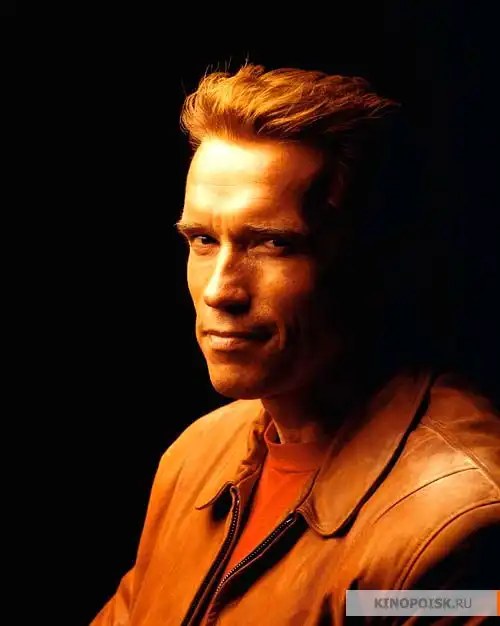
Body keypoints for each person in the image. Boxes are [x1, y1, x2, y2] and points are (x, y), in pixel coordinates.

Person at [91, 64, 500, 625]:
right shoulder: (195, 458)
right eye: (203, 240)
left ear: (370, 259)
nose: (219, 291)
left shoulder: (458, 523)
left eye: (272, 244)